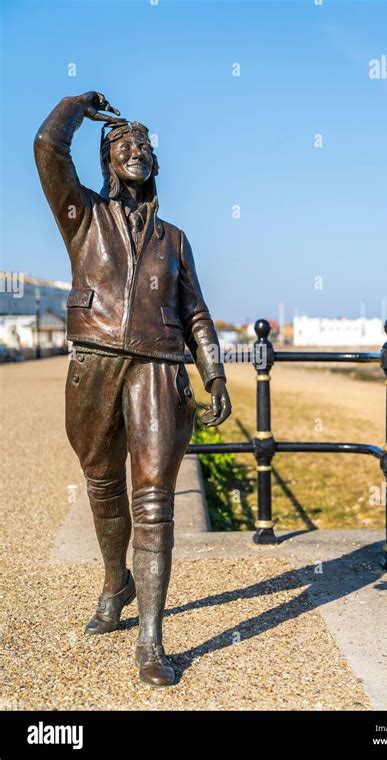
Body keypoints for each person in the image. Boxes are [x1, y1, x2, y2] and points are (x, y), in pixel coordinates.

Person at [34, 91, 231, 687]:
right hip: (93, 363)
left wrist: (214, 371)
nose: (137, 151)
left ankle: (151, 638)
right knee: (102, 486)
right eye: (124, 145)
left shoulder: (175, 239)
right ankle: (115, 581)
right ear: (107, 161)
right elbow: (47, 147)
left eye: (145, 145)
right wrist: (78, 103)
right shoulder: (82, 216)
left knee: (153, 501)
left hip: (159, 368)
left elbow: (196, 311)